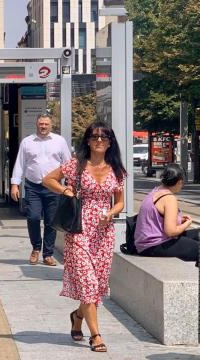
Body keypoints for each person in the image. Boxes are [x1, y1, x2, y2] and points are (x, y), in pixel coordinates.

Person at [42, 121, 126, 353]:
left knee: (97, 285)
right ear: (87, 141)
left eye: (104, 137)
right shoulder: (75, 165)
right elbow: (47, 179)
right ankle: (96, 335)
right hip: (79, 228)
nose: (99, 141)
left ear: (110, 142)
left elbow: (120, 202)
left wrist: (110, 213)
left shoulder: (116, 169)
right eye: (94, 137)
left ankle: (77, 316)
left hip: (103, 232)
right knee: (88, 283)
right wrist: (65, 190)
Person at [11, 114, 71, 266]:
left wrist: (69, 184)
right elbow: (20, 164)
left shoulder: (59, 141)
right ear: (36, 125)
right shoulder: (27, 142)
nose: (43, 126)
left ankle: (48, 254)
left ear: (51, 125)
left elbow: (68, 164)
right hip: (33, 187)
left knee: (51, 222)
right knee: (33, 217)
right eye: (41, 124)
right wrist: (14, 184)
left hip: (54, 187)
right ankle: (36, 248)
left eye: (46, 124)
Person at [134, 164, 199, 265]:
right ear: (179, 182)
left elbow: (157, 218)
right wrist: (187, 223)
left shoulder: (155, 191)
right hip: (155, 245)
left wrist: (178, 220)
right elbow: (171, 232)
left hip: (146, 244)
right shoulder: (169, 198)